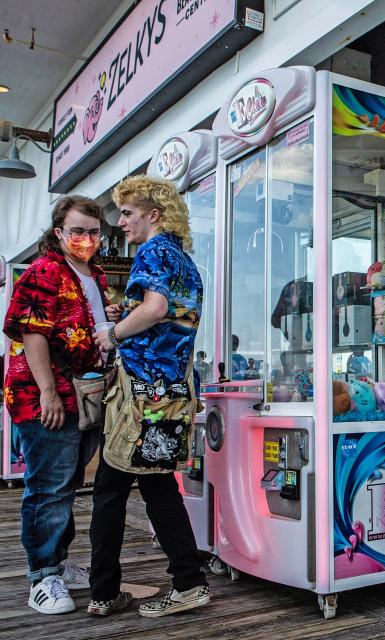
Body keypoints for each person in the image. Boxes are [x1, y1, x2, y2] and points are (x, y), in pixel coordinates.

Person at [88, 175, 210, 617]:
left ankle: (103, 592)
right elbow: (165, 314)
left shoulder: (153, 250)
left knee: (109, 490)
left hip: (138, 391)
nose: (120, 222)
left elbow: (156, 309)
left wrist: (113, 333)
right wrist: (133, 312)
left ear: (153, 215)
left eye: (128, 213)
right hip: (170, 391)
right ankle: (189, 582)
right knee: (159, 487)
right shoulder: (183, 260)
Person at [2, 196, 107, 614]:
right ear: (59, 232)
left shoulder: (92, 275)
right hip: (45, 396)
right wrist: (47, 390)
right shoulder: (45, 270)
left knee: (64, 486)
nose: (86, 239)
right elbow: (32, 332)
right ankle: (42, 576)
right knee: (48, 488)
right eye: (77, 230)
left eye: (94, 231)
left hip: (81, 394)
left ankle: (58, 564)